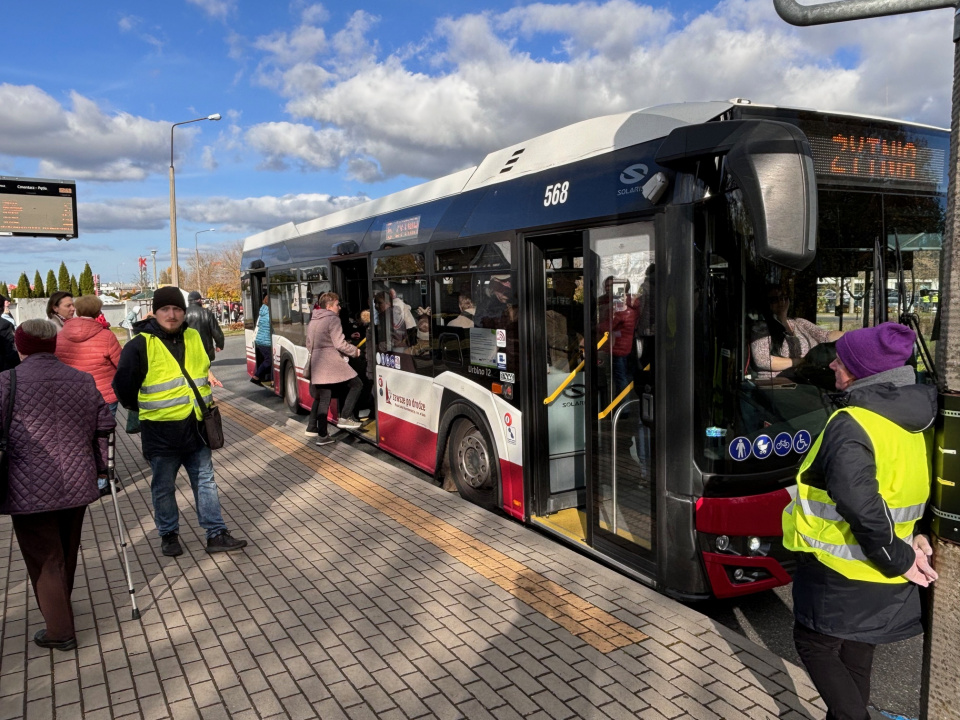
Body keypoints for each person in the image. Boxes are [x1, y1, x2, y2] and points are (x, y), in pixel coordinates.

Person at [782, 322, 937, 720]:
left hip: (841, 568)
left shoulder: (852, 422)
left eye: (843, 359)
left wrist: (899, 557)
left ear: (861, 372)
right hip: (882, 569)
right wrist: (913, 538)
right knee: (855, 650)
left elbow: (861, 503)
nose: (833, 363)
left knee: (814, 644)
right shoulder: (913, 419)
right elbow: (906, 485)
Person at [0, 319, 115, 650]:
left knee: (44, 557)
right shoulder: (82, 380)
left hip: (26, 485)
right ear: (52, 345)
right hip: (77, 480)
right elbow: (104, 426)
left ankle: (60, 631)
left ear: (19, 346)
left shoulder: (6, 382)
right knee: (66, 549)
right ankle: (60, 606)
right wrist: (101, 470)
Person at [113, 286, 247, 557]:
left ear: (184, 311)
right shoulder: (140, 344)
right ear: (155, 311)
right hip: (161, 430)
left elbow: (201, 370)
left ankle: (215, 533)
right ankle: (168, 534)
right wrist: (140, 407)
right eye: (165, 309)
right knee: (163, 486)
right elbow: (123, 385)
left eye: (177, 309)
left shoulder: (194, 336)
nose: (172, 315)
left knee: (205, 481)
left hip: (197, 425)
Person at [55, 295, 123, 495]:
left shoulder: (60, 335)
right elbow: (121, 365)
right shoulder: (106, 336)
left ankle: (82, 479)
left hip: (72, 396)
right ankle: (103, 481)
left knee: (79, 439)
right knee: (103, 438)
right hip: (104, 395)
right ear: (98, 312)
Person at [305, 292, 362, 444]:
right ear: (329, 306)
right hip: (331, 363)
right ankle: (344, 417)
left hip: (317, 364)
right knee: (357, 384)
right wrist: (354, 351)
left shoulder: (314, 320)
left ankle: (322, 436)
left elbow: (308, 344)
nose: (340, 307)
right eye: (337, 305)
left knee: (324, 398)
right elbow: (339, 344)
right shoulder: (333, 319)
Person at [752, 284, 842, 380]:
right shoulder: (762, 327)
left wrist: (852, 336)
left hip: (805, 378)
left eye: (784, 297)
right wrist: (800, 361)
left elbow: (826, 336)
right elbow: (762, 360)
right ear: (766, 303)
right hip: (777, 383)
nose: (781, 301)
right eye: (774, 299)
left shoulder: (799, 322)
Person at [184, 291, 225, 363]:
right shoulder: (206, 312)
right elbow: (215, 330)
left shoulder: (183, 313)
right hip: (205, 347)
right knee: (205, 370)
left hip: (188, 347)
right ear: (199, 300)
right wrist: (219, 344)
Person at [252, 292, 272, 384]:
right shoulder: (269, 314)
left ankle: (272, 379)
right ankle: (257, 376)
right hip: (265, 341)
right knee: (270, 360)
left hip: (260, 340)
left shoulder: (263, 311)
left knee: (271, 359)